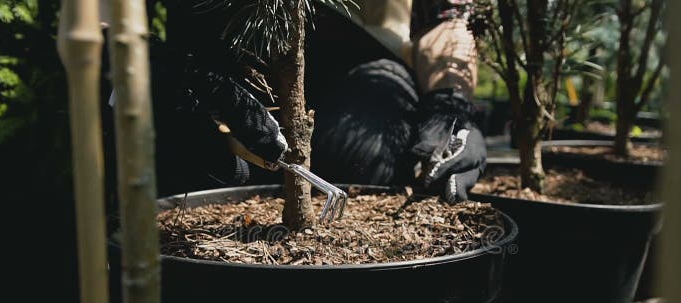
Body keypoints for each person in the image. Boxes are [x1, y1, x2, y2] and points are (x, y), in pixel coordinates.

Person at [145, 0, 486, 204]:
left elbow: (448, 20)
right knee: (187, 166)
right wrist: (154, 60)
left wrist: (449, 103)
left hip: (358, 72)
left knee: (362, 158)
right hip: (201, 73)